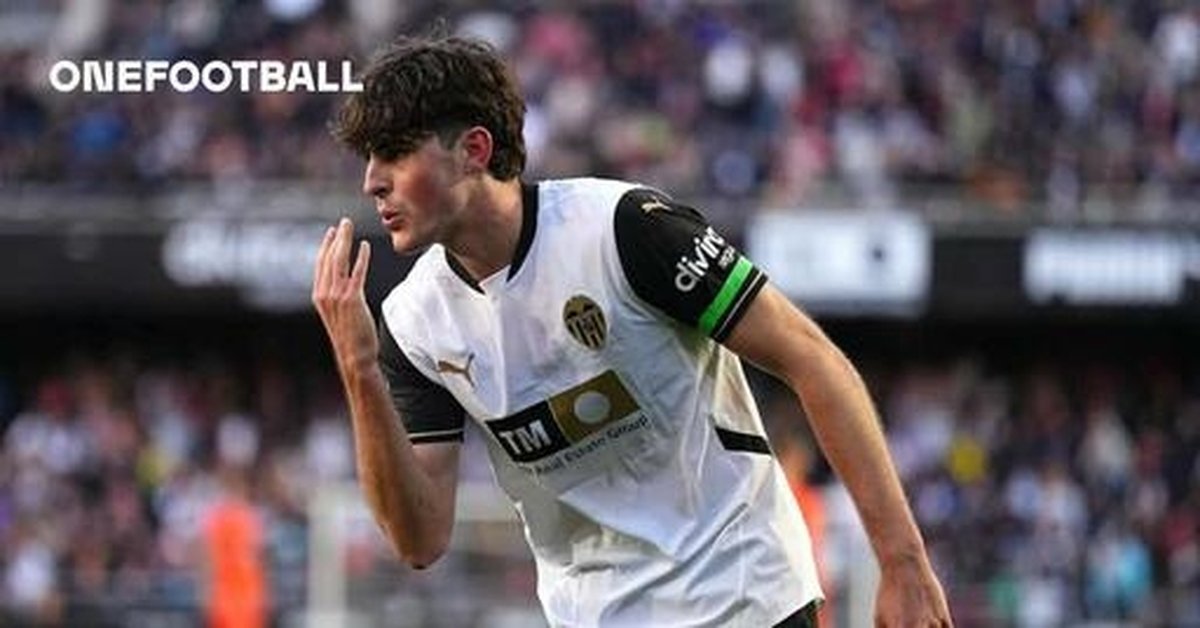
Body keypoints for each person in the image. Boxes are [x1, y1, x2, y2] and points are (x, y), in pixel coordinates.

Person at [312, 33, 952, 628]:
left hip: (742, 599)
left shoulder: (624, 229)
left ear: (474, 150)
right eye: (369, 157)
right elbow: (420, 541)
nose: (372, 181)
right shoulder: (414, 321)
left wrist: (901, 561)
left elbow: (812, 359)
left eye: (394, 152)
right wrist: (359, 370)